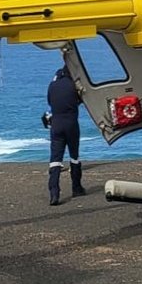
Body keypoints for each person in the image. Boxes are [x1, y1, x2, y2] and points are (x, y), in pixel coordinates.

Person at [46, 66, 86, 206]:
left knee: (55, 159)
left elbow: (50, 102)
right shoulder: (73, 85)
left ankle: (54, 193)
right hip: (71, 124)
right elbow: (80, 100)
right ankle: (76, 188)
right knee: (74, 157)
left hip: (56, 124)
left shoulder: (52, 85)